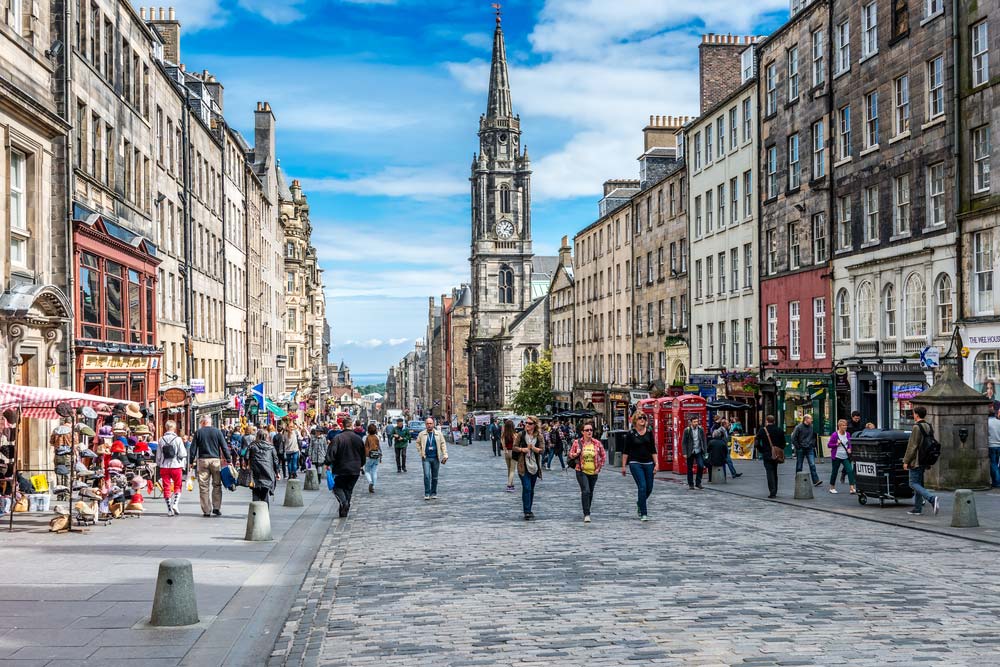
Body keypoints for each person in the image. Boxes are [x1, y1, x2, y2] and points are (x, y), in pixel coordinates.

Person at [189, 415, 231, 517]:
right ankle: (216, 507)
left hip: (202, 460)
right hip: (215, 460)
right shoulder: (217, 432)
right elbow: (224, 446)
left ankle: (206, 510)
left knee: (203, 486)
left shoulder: (198, 432)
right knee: (217, 484)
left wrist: (191, 461)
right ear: (210, 422)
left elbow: (193, 448)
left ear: (202, 423)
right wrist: (228, 459)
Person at [903, 406, 940, 516]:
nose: (913, 415)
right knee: (919, 483)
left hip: (917, 459)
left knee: (913, 483)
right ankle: (917, 508)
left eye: (914, 413)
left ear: (917, 415)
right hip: (925, 459)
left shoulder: (916, 427)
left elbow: (912, 445)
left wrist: (906, 461)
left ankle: (932, 498)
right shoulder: (928, 426)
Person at [567, 421, 606, 523]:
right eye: (587, 430)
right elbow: (570, 454)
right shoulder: (577, 442)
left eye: (591, 430)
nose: (589, 432)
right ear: (582, 432)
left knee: (590, 492)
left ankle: (587, 508)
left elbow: (603, 456)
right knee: (586, 491)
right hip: (581, 470)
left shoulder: (597, 443)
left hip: (593, 471)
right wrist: (576, 453)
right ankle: (587, 514)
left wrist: (599, 468)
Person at [325, 423, 365, 518]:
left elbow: (331, 453)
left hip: (341, 469)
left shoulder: (338, 438)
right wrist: (360, 464)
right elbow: (363, 455)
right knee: (348, 490)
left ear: (343, 426)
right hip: (355, 469)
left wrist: (327, 462)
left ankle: (344, 503)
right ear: (352, 426)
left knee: (337, 488)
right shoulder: (358, 438)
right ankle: (344, 510)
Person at [622, 412, 656, 521]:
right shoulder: (631, 434)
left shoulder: (649, 432)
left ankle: (640, 502)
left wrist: (657, 463)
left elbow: (653, 449)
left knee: (649, 488)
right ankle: (643, 513)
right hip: (635, 463)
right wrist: (623, 466)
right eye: (640, 418)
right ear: (635, 421)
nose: (642, 420)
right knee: (642, 486)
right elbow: (625, 451)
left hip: (649, 463)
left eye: (644, 418)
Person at [514, 416, 544, 520]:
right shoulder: (521, 435)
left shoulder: (539, 436)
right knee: (526, 487)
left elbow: (543, 450)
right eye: (526, 423)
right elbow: (514, 447)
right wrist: (523, 449)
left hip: (534, 466)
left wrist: (534, 448)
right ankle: (526, 511)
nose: (527, 425)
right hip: (523, 465)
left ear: (534, 425)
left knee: (531, 489)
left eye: (530, 423)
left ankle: (529, 509)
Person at [156, 420, 187, 516]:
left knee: (166, 487)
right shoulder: (178, 439)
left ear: (166, 428)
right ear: (174, 428)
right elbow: (183, 453)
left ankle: (169, 509)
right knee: (178, 485)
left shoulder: (161, 439)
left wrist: (159, 463)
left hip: (164, 466)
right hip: (176, 465)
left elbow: (158, 455)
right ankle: (175, 504)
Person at [415, 417, 448, 500]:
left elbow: (443, 444)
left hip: (435, 458)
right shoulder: (422, 434)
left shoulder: (438, 434)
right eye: (427, 423)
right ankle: (427, 493)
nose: (429, 425)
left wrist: (445, 454)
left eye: (430, 423)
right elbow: (417, 443)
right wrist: (421, 453)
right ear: (425, 425)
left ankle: (433, 492)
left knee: (435, 477)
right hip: (426, 458)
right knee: (426, 476)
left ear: (433, 424)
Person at [755, 415, 784, 498]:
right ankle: (775, 489)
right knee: (775, 471)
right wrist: (779, 449)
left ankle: (772, 490)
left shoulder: (762, 430)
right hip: (776, 454)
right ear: (774, 421)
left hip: (767, 454)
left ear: (767, 421)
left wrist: (761, 450)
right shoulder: (779, 430)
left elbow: (756, 442)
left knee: (769, 472)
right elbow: (783, 443)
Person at [248, 428, 279, 505]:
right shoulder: (271, 447)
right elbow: (275, 461)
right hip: (267, 473)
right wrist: (277, 472)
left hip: (255, 473)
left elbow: (245, 456)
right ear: (267, 437)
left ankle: (255, 513)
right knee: (265, 495)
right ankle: (264, 514)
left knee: (255, 493)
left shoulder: (252, 445)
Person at [827, 419, 857, 494]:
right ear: (839, 426)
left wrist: (850, 448)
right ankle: (832, 487)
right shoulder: (835, 435)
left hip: (845, 456)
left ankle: (852, 488)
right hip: (836, 456)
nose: (845, 427)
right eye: (843, 425)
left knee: (850, 471)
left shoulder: (847, 434)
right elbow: (829, 445)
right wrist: (836, 444)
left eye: (846, 425)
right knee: (835, 471)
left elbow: (849, 443)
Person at [792, 414, 822, 488]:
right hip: (801, 448)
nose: (811, 420)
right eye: (810, 419)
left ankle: (816, 480)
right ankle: (798, 479)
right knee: (799, 465)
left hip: (809, 448)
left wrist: (812, 444)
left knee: (812, 464)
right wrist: (798, 447)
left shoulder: (811, 427)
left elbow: (813, 436)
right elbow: (793, 438)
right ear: (806, 419)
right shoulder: (798, 427)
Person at [681, 416, 707, 490]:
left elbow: (704, 440)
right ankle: (691, 484)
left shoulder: (701, 429)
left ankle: (698, 483)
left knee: (701, 466)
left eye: (697, 421)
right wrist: (684, 452)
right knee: (690, 468)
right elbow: (684, 442)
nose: (696, 423)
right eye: (694, 422)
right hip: (690, 451)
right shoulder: (687, 430)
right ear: (691, 422)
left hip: (698, 450)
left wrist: (705, 451)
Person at [363, 423, 381, 494]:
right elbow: (379, 447)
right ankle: (373, 487)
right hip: (376, 455)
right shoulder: (377, 437)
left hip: (368, 456)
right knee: (374, 471)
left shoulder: (366, 437)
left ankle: (370, 482)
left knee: (367, 471)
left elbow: (363, 447)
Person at [500, 419, 518, 492]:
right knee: (512, 470)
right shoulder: (514, 434)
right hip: (512, 452)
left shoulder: (504, 434)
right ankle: (509, 485)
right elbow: (515, 444)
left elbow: (503, 444)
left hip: (506, 453)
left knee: (509, 469)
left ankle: (511, 483)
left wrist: (505, 450)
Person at [989, 408, 1000, 488]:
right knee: (997, 464)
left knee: (993, 464)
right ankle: (997, 480)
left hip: (991, 445)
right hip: (999, 445)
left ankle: (996, 482)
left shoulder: (986, 422)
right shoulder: (999, 422)